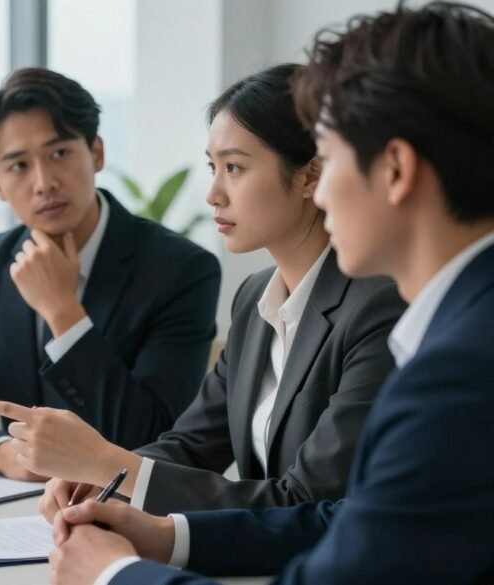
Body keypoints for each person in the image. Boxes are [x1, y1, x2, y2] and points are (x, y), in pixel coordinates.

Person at [47, 3, 494, 583]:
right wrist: (166, 536)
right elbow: (346, 521)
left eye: (328, 162)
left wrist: (114, 575)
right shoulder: (454, 328)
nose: (322, 190)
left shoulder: (459, 366)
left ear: (395, 170)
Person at [0, 64, 406, 518]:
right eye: (212, 167)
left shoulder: (379, 305)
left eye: (235, 168)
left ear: (308, 176)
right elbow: (192, 445)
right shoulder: (256, 296)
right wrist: (100, 480)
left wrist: (107, 462)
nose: (213, 194)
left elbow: (305, 501)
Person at [0, 67, 222, 480]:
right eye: (18, 166)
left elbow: (151, 434)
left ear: (96, 152)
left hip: (128, 517)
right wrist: (3, 454)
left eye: (59, 154)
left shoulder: (181, 270)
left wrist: (62, 311)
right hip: (11, 511)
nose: (44, 183)